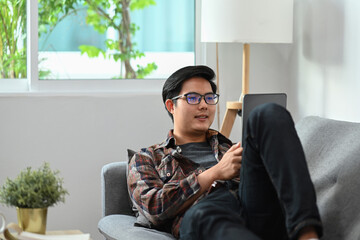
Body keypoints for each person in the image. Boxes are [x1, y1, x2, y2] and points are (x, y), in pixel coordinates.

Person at [127, 65, 323, 240]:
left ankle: (307, 234)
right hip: (206, 216)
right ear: (171, 106)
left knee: (266, 113)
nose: (204, 105)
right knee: (202, 215)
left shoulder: (230, 147)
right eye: (193, 98)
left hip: (252, 207)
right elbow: (155, 207)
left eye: (210, 98)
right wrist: (215, 172)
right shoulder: (147, 158)